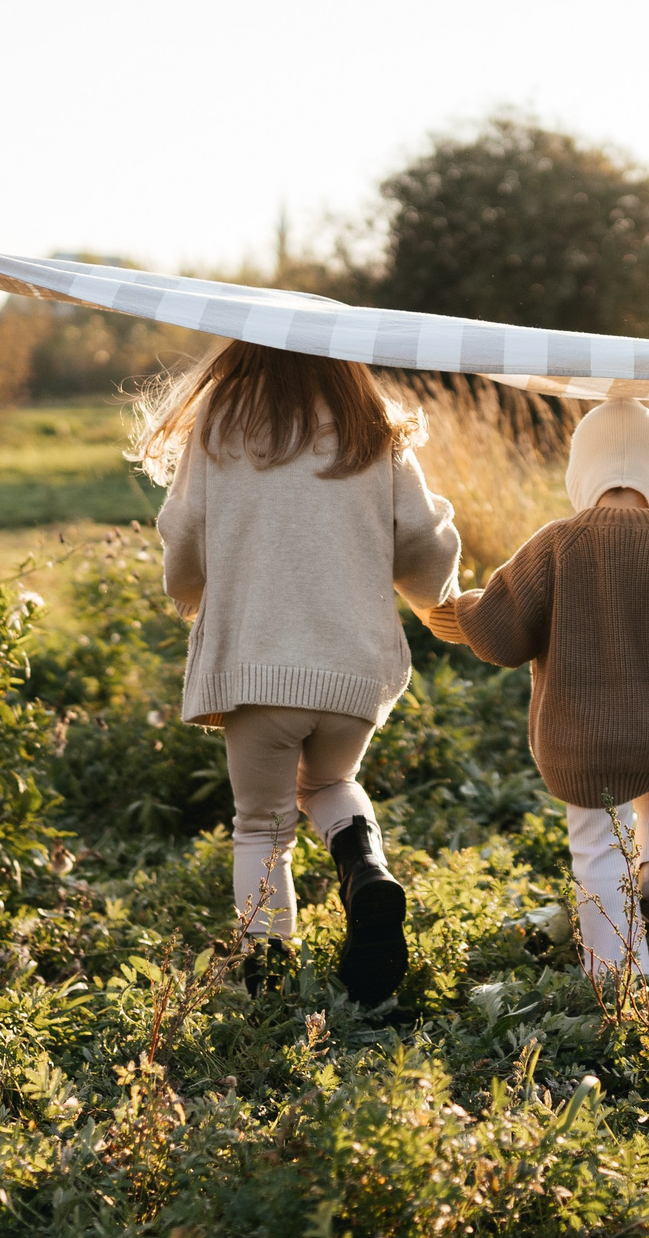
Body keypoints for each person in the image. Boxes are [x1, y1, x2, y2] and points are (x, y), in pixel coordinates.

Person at [134, 340, 462, 1009]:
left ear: (245, 355)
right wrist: (436, 602)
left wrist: (193, 590)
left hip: (259, 668)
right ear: (346, 361)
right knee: (332, 782)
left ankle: (271, 973)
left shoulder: (221, 429)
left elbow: (184, 533)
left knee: (262, 825)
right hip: (353, 672)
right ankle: (364, 867)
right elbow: (423, 540)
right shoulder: (373, 430)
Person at [426, 399, 649, 979]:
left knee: (599, 848)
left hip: (581, 741)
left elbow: (497, 628)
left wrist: (440, 613)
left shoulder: (554, 543)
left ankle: (620, 976)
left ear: (581, 473)